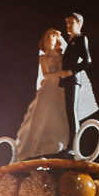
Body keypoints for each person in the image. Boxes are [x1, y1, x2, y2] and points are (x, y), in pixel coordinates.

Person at [14, 27, 69, 160]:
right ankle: (37, 148)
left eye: (53, 36)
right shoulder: (43, 57)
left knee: (59, 115)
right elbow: (45, 74)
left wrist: (64, 74)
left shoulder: (62, 57)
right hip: (49, 87)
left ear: (57, 40)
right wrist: (59, 74)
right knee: (43, 114)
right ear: (44, 41)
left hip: (59, 88)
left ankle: (57, 145)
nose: (50, 38)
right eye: (48, 36)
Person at [58, 11, 97, 154]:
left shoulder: (81, 39)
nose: (68, 26)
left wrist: (70, 72)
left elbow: (87, 60)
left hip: (73, 79)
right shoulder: (71, 41)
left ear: (79, 24)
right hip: (67, 80)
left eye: (71, 23)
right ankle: (70, 144)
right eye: (67, 23)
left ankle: (73, 146)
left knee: (71, 111)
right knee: (68, 111)